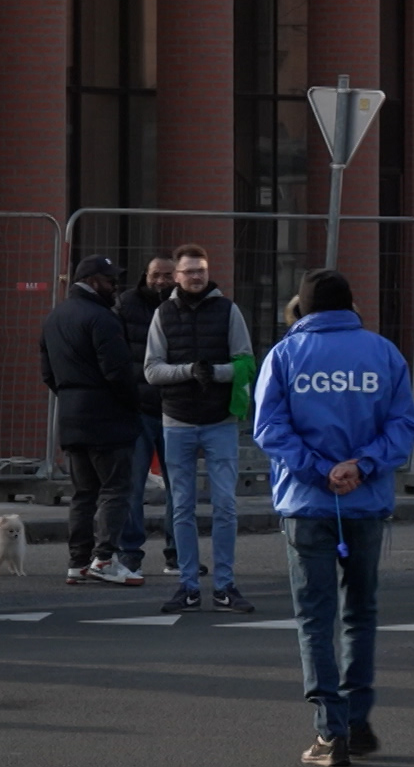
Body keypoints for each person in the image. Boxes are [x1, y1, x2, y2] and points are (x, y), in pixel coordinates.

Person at [254, 270, 414, 767]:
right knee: (360, 613)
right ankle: (358, 720)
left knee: (314, 618)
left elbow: (268, 429)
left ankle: (330, 731)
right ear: (351, 303)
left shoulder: (284, 355)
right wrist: (361, 465)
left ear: (303, 307)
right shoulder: (384, 352)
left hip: (307, 503)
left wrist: (320, 471)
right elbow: (404, 425)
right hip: (366, 502)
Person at [147, 242, 256, 614]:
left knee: (225, 505)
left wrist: (217, 372)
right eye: (189, 271)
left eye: (202, 270)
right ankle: (188, 585)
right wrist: (189, 370)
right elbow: (152, 369)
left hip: (220, 420)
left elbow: (247, 362)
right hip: (176, 419)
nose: (196, 276)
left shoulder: (229, 310)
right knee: (182, 507)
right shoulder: (162, 313)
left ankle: (225, 585)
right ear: (175, 276)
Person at [41, 255, 143, 587]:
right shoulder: (103, 318)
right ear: (94, 281)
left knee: (83, 492)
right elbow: (118, 372)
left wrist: (71, 394)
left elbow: (47, 374)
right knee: (115, 488)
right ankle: (104, 558)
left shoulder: (54, 317)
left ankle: (77, 562)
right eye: (111, 280)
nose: (116, 286)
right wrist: (133, 404)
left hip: (70, 414)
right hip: (106, 415)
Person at [115, 257, 181, 575]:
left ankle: (177, 553)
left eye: (168, 275)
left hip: (176, 409)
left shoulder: (186, 306)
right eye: (156, 275)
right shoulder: (126, 304)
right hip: (138, 407)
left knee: (179, 486)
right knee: (133, 486)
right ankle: (130, 553)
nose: (161, 281)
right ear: (146, 275)